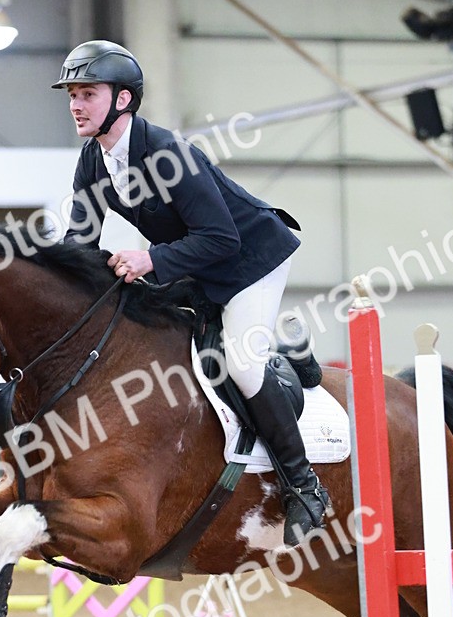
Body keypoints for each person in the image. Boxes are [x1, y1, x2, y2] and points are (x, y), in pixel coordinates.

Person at [52, 38, 329, 546]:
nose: (75, 104)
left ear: (122, 100)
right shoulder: (93, 161)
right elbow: (79, 242)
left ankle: (303, 485)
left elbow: (221, 238)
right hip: (198, 264)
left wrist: (149, 259)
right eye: (71, 93)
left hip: (251, 260)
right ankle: (291, 361)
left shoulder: (168, 153)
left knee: (242, 364)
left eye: (86, 93)